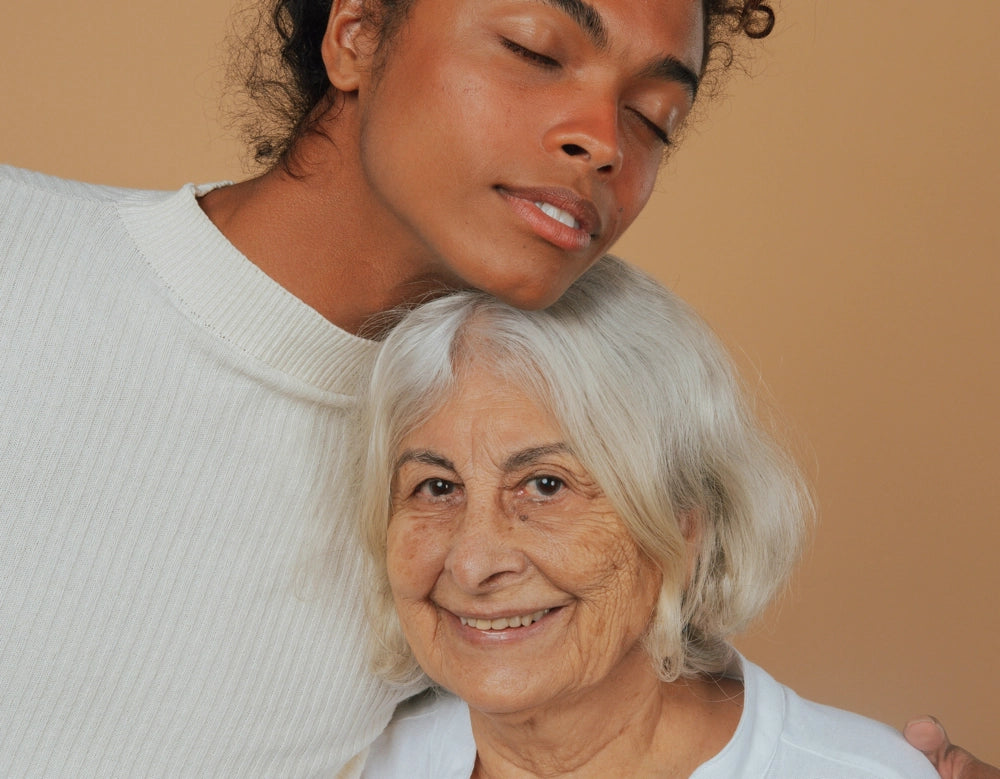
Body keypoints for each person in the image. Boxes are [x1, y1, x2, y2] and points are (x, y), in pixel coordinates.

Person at [0, 0, 992, 775]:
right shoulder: (23, 253)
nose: (604, 138)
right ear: (354, 35)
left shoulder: (508, 472)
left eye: (655, 117)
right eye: (532, 47)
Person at [355, 255, 935, 777]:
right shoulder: (355, 765)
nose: (473, 562)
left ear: (686, 528)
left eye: (546, 485)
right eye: (436, 487)